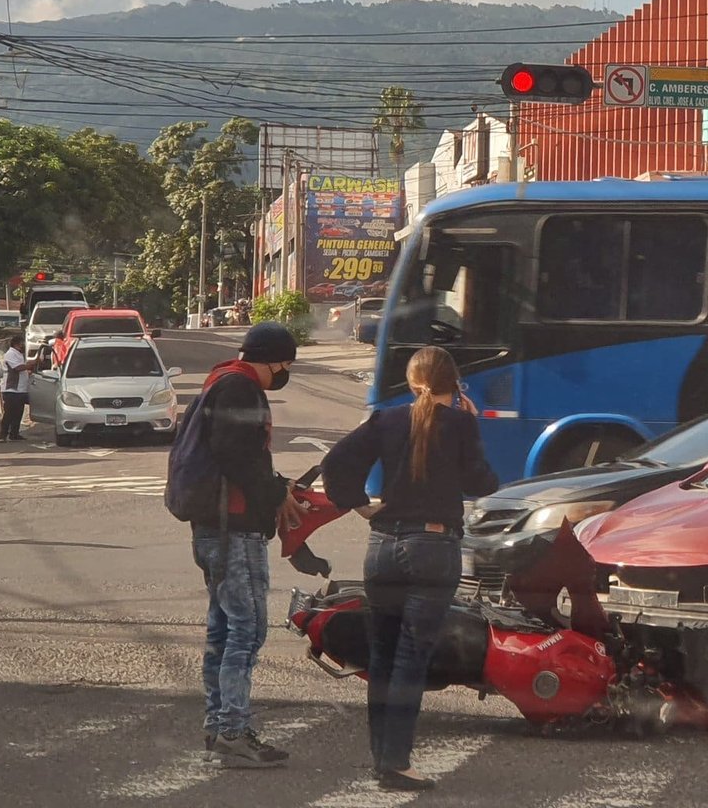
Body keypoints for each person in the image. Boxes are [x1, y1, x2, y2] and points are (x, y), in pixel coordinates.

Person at [323, 346, 496, 792]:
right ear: (453, 384)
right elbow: (482, 483)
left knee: (381, 656)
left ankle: (383, 757)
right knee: (410, 659)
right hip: (433, 547)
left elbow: (335, 462)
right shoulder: (460, 423)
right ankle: (397, 763)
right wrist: (471, 424)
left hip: (382, 546)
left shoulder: (386, 418)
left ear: (412, 379)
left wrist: (360, 506)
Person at [190, 321, 305, 769]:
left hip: (215, 525)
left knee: (222, 629)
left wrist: (278, 485)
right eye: (286, 364)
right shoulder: (240, 389)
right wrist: (275, 493)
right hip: (233, 529)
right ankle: (233, 730)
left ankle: (219, 726)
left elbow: (235, 455)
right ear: (274, 359)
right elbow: (236, 456)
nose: (285, 372)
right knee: (248, 628)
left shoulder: (221, 380)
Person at [0, 334, 34, 442]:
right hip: (11, 389)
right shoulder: (10, 354)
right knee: (9, 413)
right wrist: (29, 365)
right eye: (21, 344)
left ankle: (14, 434)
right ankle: (3, 435)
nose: (23, 345)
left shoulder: (18, 354)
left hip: (20, 389)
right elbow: (17, 368)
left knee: (18, 413)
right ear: (16, 344)